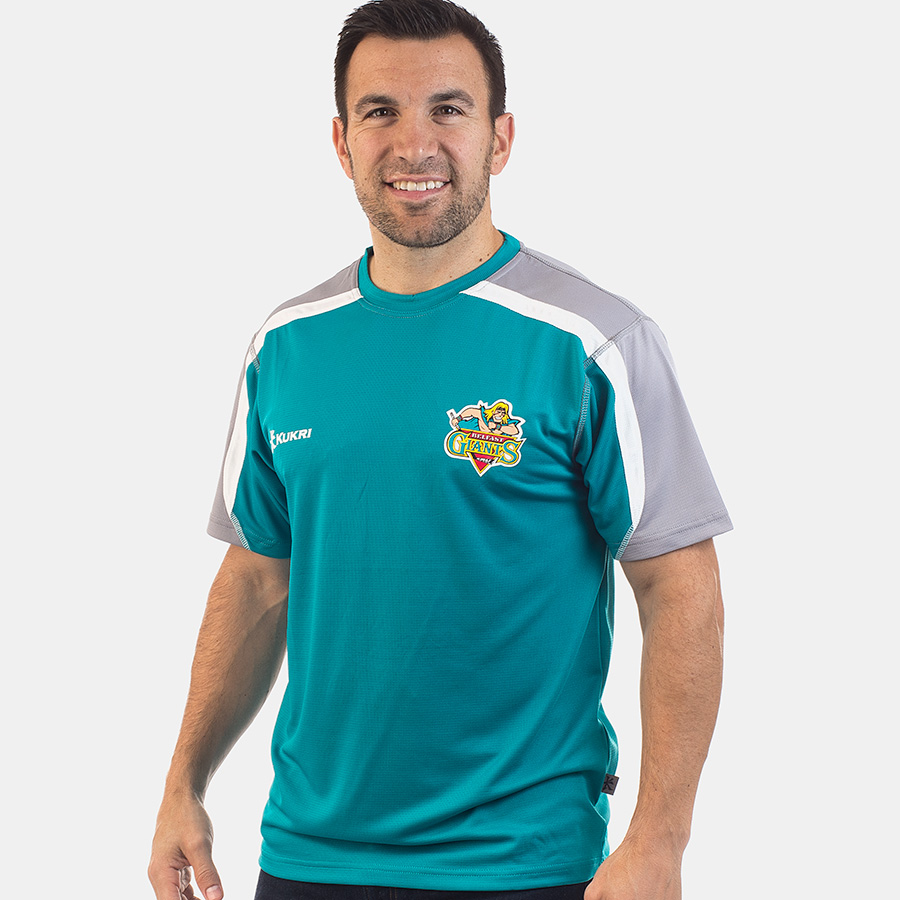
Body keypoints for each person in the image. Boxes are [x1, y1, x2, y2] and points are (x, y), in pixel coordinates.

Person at [148, 1, 732, 899]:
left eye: (448, 109)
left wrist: (660, 838)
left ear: (501, 138)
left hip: (522, 863)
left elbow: (679, 585)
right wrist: (182, 783)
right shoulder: (285, 346)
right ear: (341, 143)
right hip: (306, 859)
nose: (414, 144)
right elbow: (259, 578)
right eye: (380, 111)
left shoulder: (594, 342)